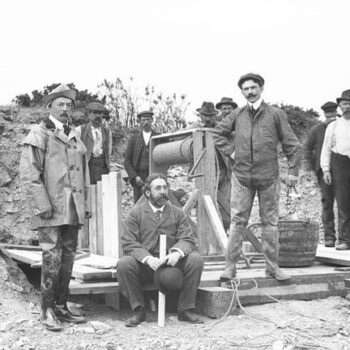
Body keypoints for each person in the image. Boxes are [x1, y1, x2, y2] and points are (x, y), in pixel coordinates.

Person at [213, 73, 301, 281]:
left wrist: (293, 171)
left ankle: (272, 268)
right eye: (246, 89)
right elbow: (218, 133)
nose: (250, 92)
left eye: (253, 88)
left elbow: (292, 144)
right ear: (242, 92)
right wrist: (232, 151)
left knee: (269, 223)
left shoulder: (276, 114)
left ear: (261, 88)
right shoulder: (237, 114)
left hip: (268, 177)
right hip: (242, 177)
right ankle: (230, 268)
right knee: (237, 222)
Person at [20, 84, 90, 331]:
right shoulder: (39, 133)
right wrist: (42, 204)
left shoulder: (74, 135)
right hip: (50, 207)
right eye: (60, 104)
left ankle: (61, 306)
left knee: (69, 256)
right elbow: (30, 174)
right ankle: (47, 309)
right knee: (51, 255)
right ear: (49, 106)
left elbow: (84, 173)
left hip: (72, 207)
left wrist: (85, 205)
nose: (65, 108)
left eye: (68, 105)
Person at [117, 173, 204, 326]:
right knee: (124, 264)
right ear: (148, 193)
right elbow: (128, 242)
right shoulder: (135, 214)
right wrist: (147, 258)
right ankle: (139, 310)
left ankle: (185, 309)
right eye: (158, 188)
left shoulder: (177, 213)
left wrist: (177, 253)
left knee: (195, 260)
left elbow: (188, 238)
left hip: (171, 265)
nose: (163, 191)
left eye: (165, 187)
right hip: (146, 266)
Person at [305, 101, 338, 247]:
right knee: (327, 203)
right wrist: (311, 171)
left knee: (345, 205)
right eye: (328, 113)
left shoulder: (343, 127)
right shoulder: (316, 129)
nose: (330, 116)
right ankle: (329, 237)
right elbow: (306, 150)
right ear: (324, 114)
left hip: (343, 170)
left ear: (337, 112)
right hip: (323, 172)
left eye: (332, 113)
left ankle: (345, 238)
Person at [321, 90, 350, 250]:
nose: (348, 107)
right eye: (345, 104)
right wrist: (326, 169)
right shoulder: (334, 125)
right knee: (343, 202)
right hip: (339, 163)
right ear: (339, 106)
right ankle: (345, 239)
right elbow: (326, 149)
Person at [124, 110, 160, 203]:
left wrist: (159, 176)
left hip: (155, 176)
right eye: (143, 120)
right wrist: (135, 177)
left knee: (156, 202)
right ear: (140, 122)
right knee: (139, 205)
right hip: (139, 178)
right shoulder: (134, 139)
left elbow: (165, 158)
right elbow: (127, 161)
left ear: (152, 120)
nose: (146, 122)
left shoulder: (159, 137)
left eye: (148, 120)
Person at [78, 102, 112, 184]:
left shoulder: (106, 131)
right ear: (89, 114)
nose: (97, 116)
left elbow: (109, 150)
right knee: (89, 191)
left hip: (102, 166)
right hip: (88, 166)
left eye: (100, 113)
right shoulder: (80, 130)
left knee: (102, 191)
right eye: (95, 112)